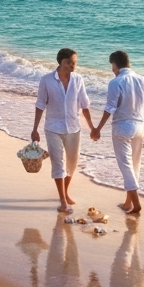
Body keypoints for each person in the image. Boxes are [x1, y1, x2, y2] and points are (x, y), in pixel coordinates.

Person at [91, 50, 144, 215]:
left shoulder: (116, 82)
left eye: (112, 66)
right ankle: (128, 203)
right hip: (140, 127)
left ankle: (136, 204)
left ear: (115, 65)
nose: (112, 69)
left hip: (122, 127)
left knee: (126, 166)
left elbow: (110, 108)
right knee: (135, 165)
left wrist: (98, 129)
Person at [31, 48, 95, 213]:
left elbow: (84, 105)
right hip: (53, 128)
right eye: (70, 62)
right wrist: (35, 129)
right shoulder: (47, 80)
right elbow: (40, 105)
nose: (73, 65)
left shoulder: (78, 80)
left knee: (72, 164)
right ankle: (63, 201)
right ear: (61, 62)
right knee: (58, 164)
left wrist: (92, 127)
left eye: (75, 62)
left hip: (74, 128)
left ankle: (65, 192)